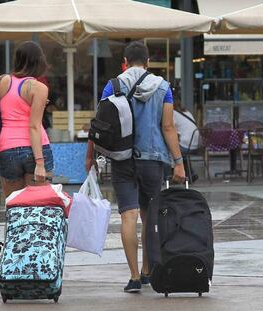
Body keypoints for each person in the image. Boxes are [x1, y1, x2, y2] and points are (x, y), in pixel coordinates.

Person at [85, 41, 186, 293]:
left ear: (125, 62)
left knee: (128, 216)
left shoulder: (113, 85)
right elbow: (168, 127)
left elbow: (100, 124)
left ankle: (133, 278)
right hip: (152, 159)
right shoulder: (164, 87)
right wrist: (179, 162)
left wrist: (89, 157)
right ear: (148, 62)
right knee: (149, 216)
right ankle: (147, 271)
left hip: (121, 158)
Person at [0, 41, 53, 197]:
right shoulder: (39, 88)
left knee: (13, 207)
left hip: (7, 147)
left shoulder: (2, 81)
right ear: (39, 61)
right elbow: (34, 126)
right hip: (35, 149)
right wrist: (39, 163)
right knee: (37, 207)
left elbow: (11, 106)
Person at [172, 98, 199, 182]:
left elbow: (170, 129)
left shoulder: (173, 113)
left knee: (171, 149)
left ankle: (168, 176)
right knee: (182, 154)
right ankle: (191, 174)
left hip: (186, 146)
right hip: (195, 145)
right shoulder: (187, 112)